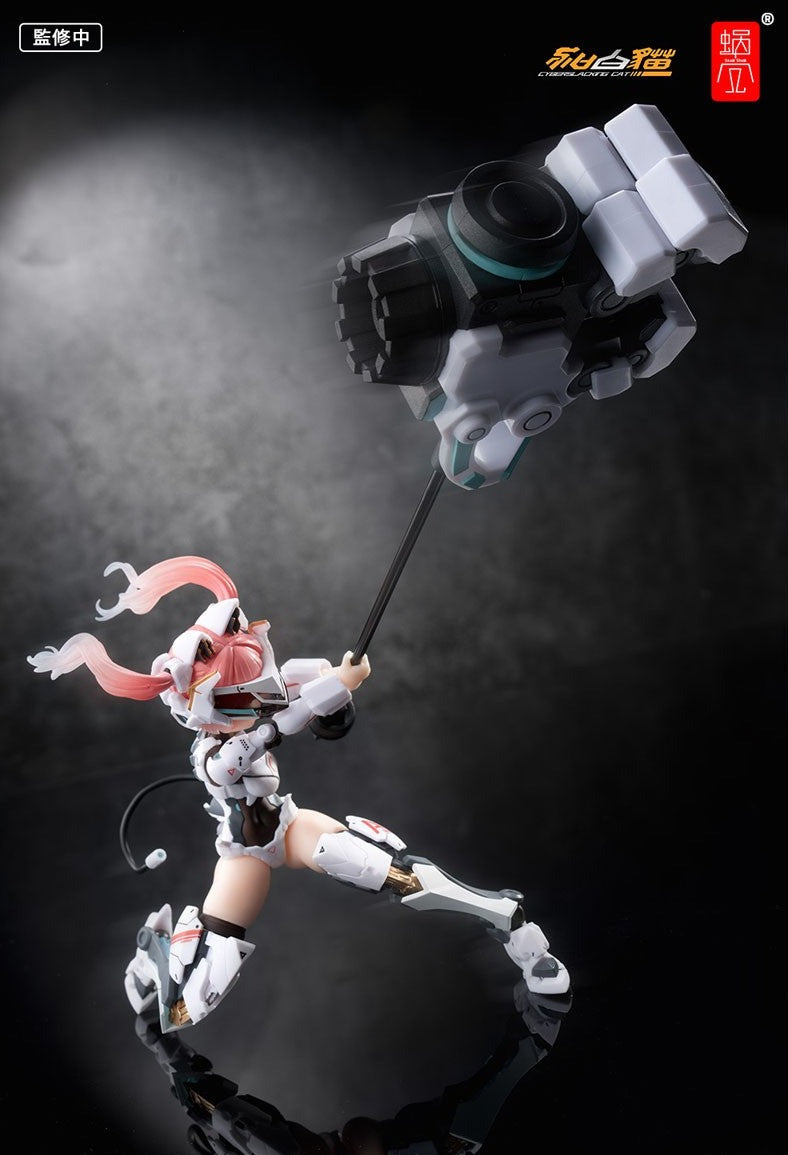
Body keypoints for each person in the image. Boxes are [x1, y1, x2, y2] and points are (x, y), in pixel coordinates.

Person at [29, 555, 569, 1035]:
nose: (256, 696)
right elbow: (273, 729)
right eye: (239, 693)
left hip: (286, 826)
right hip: (244, 853)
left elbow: (311, 709)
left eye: (251, 682)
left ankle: (508, 920)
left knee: (384, 869)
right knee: (191, 1004)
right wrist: (332, 689)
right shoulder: (211, 755)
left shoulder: (262, 692)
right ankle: (156, 951)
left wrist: (338, 686)